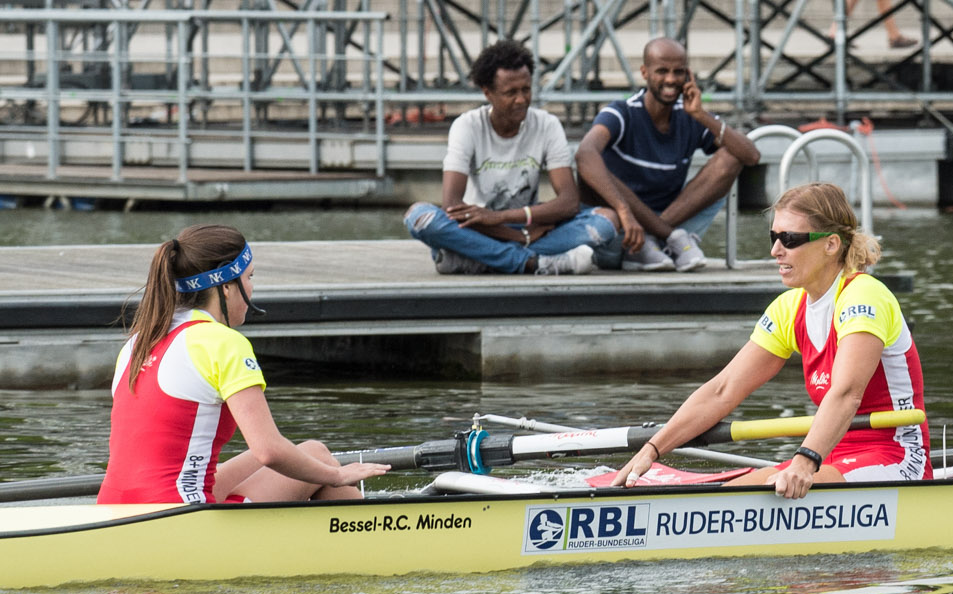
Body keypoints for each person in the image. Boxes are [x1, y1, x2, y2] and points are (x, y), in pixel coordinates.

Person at [617, 181, 925, 494]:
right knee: (728, 496)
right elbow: (722, 391)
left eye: (789, 239)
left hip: (895, 457)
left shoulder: (864, 296)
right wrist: (652, 450)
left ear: (831, 244)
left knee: (763, 493)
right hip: (830, 454)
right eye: (774, 236)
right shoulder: (789, 308)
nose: (775, 250)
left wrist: (804, 462)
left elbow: (846, 393)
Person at [97, 226, 390, 505]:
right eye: (250, 277)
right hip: (178, 515)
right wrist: (339, 475)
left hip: (113, 506)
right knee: (321, 460)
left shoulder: (139, 340)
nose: (251, 288)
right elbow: (269, 451)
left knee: (309, 456)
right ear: (227, 287)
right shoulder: (223, 342)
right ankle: (377, 541)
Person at [403, 40, 615, 276]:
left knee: (605, 221)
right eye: (511, 93)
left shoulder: (547, 124)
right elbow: (452, 206)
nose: (521, 99)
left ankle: (476, 260)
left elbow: (569, 202)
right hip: (478, 230)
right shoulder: (467, 125)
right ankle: (533, 263)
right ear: (488, 93)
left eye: (526, 89)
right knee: (420, 217)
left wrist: (504, 219)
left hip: (526, 225)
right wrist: (515, 236)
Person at [575, 37, 760, 272]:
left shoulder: (689, 116)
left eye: (678, 72)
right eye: (662, 71)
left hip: (665, 232)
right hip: (624, 232)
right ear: (644, 72)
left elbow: (751, 156)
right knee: (594, 166)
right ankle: (662, 239)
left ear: (688, 76)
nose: (671, 79)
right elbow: (584, 154)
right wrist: (625, 212)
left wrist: (701, 114)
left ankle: (657, 239)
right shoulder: (622, 112)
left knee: (731, 157)